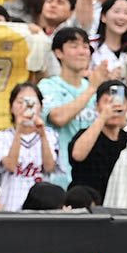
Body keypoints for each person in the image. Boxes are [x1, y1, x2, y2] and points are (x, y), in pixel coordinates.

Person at [41, 27, 108, 189]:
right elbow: (58, 118)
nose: (82, 52)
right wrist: (92, 88)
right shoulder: (48, 86)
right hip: (58, 179)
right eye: (74, 46)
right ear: (58, 53)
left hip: (92, 180)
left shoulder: (96, 89)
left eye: (85, 46)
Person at [0, 83, 59, 212]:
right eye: (21, 102)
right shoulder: (1, 137)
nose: (26, 106)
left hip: (41, 207)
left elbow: (49, 167)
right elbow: (11, 165)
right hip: (10, 206)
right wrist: (19, 131)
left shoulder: (50, 135)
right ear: (11, 107)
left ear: (40, 107)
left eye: (32, 102)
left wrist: (42, 134)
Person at [69, 80, 127, 203]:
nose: (113, 107)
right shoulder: (85, 134)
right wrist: (103, 116)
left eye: (118, 102)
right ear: (97, 106)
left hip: (117, 205)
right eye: (107, 102)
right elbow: (78, 155)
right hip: (86, 204)